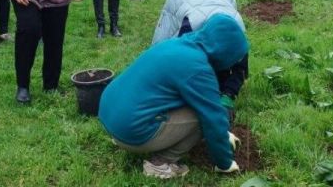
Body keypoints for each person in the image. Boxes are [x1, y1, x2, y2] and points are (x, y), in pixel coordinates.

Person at [99, 14, 247, 179]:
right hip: (130, 130)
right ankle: (161, 164)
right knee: (203, 117)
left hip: (111, 116)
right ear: (225, 52)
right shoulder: (197, 68)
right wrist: (225, 163)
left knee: (193, 105)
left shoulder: (177, 44)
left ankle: (126, 137)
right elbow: (213, 117)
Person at [151, 0, 248, 118]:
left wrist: (229, 95)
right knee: (163, 52)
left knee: (222, 67)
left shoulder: (237, 31)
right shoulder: (190, 27)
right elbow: (182, 62)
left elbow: (241, 67)